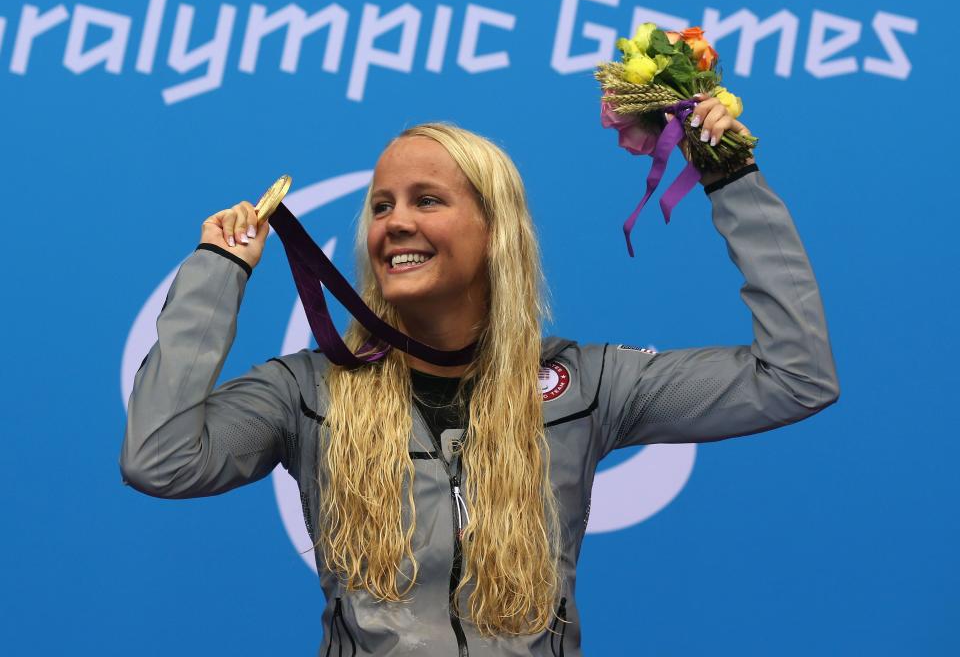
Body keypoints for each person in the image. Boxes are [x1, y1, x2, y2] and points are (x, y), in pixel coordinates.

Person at [120, 100, 840, 657]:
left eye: (427, 200)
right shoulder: (307, 393)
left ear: (495, 230)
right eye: (381, 205)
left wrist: (731, 179)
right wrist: (217, 273)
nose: (394, 222)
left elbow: (795, 375)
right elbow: (161, 460)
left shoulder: (584, 383)